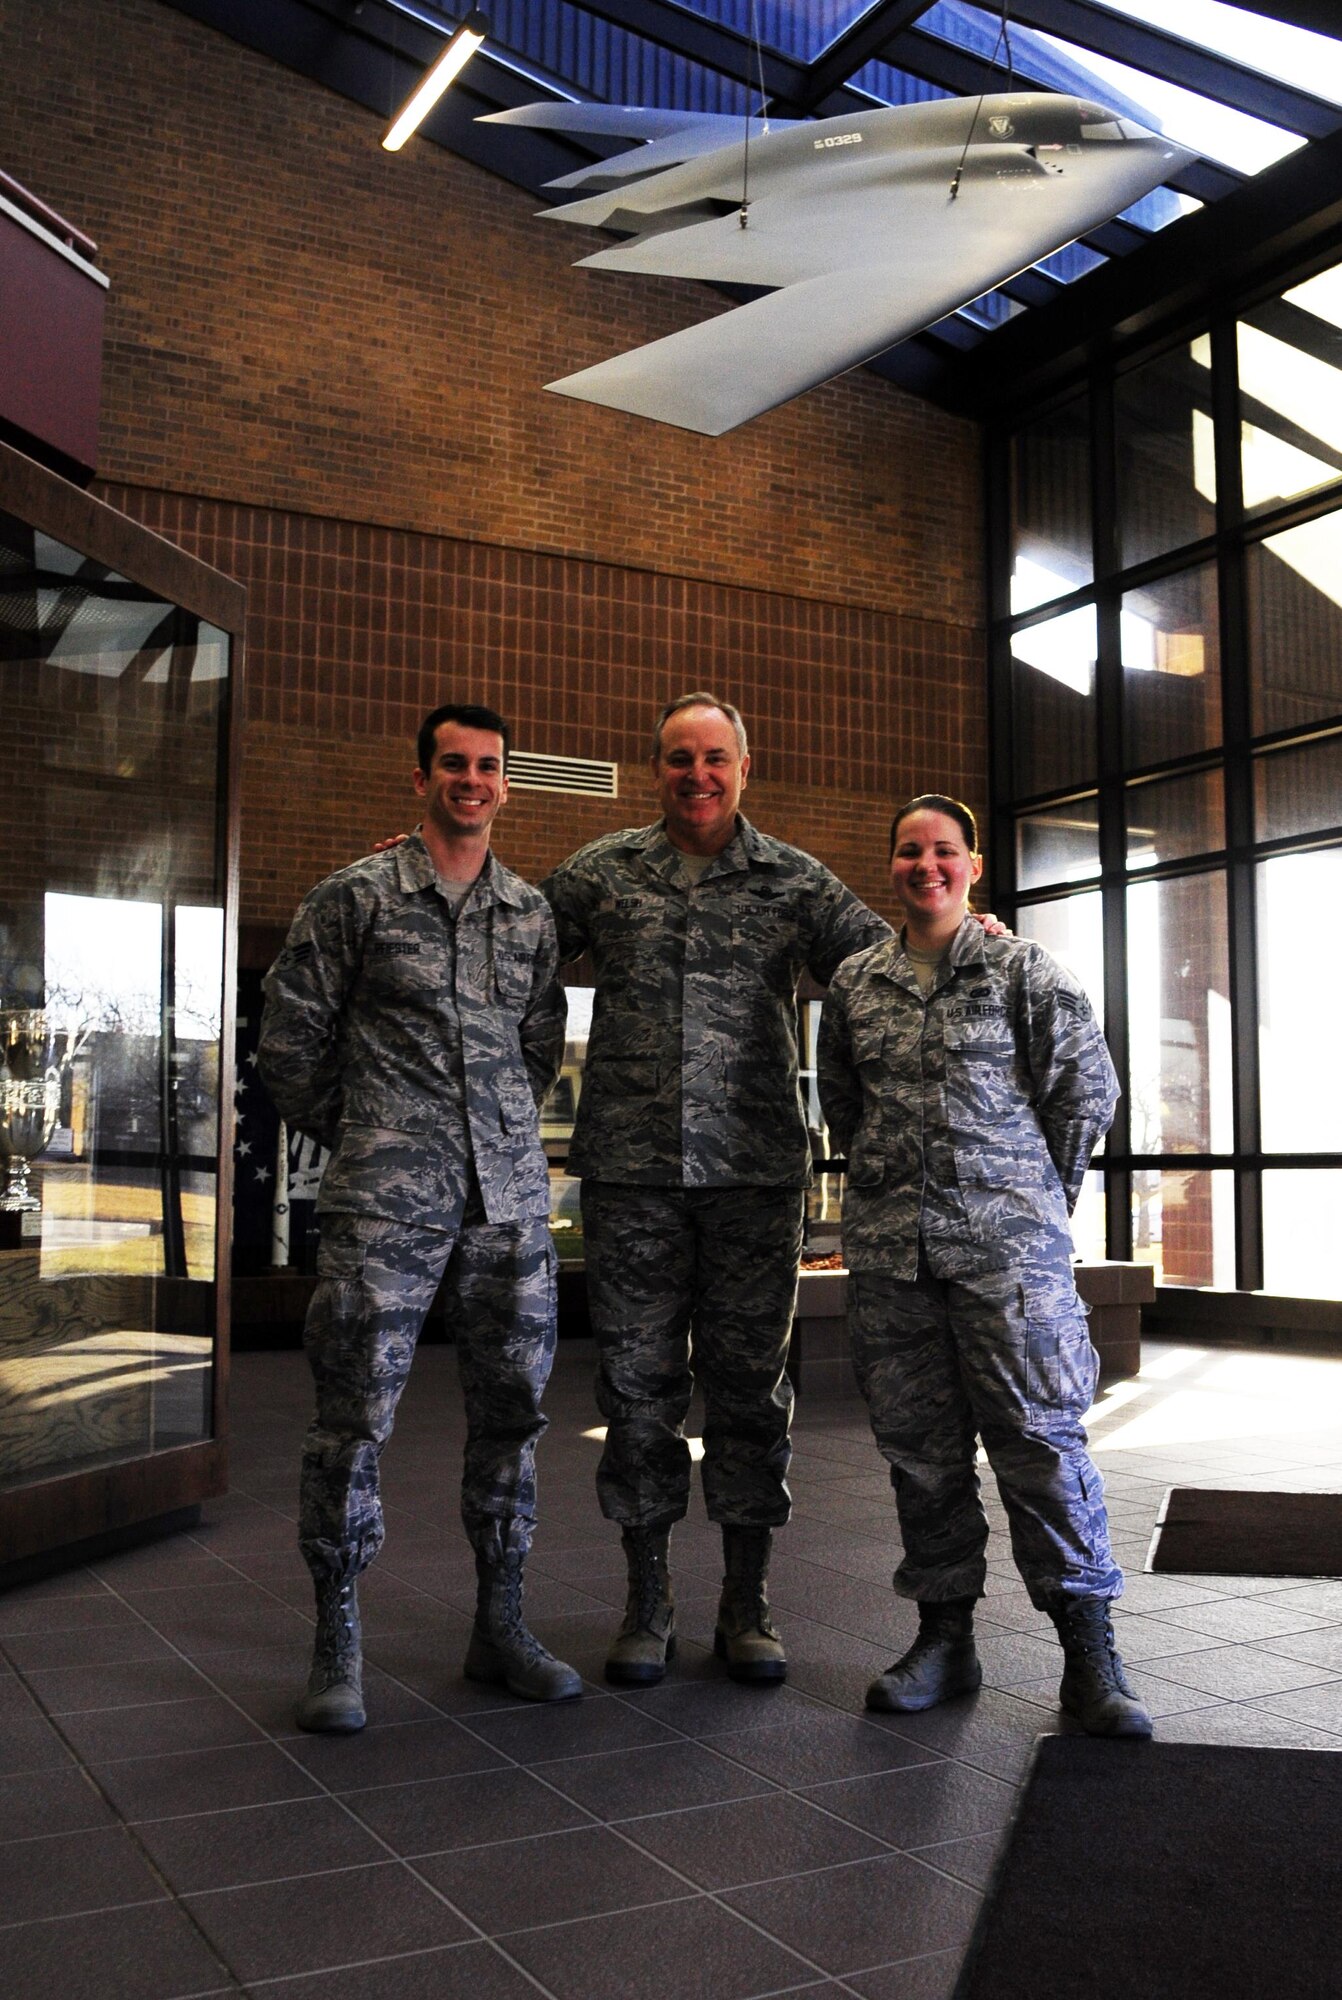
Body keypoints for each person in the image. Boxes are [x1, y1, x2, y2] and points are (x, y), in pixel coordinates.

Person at [542, 694, 894, 1687]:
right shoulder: (602, 873)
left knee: (748, 1390)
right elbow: (504, 938)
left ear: (745, 765)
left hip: (752, 1178)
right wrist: (421, 863)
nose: (695, 775)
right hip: (631, 1178)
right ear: (655, 767)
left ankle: (747, 1601)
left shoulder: (791, 881)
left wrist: (960, 935)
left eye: (713, 758)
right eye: (676, 758)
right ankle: (646, 1601)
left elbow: (879, 968)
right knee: (638, 1393)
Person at [259, 703, 580, 1732]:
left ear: (504, 781)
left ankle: (500, 1625)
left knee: (514, 1419)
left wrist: (484, 1136)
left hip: (509, 1209)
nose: (472, 780)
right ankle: (335, 1644)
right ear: (420, 777)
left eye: (488, 766)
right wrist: (374, 1135)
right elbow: (288, 1047)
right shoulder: (352, 898)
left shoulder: (528, 913)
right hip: (385, 1209)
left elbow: (537, 1049)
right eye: (454, 764)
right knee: (352, 1423)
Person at [817, 794, 1151, 1738]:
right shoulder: (855, 982)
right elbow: (848, 1104)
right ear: (892, 865)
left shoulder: (1021, 970)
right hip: (896, 1259)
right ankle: (944, 1641)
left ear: (971, 867)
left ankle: (1091, 1661)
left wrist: (1030, 1203)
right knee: (921, 1459)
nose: (928, 865)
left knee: (1042, 1450)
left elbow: (1086, 1094)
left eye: (946, 851)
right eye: (911, 851)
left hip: (1011, 1263)